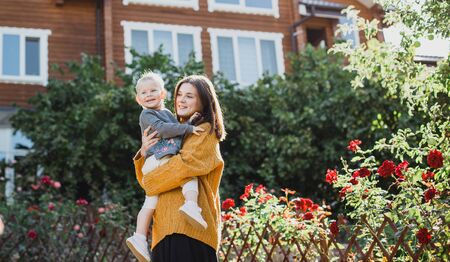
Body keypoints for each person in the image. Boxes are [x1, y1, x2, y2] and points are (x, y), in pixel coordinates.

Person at [133, 75, 226, 261]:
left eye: (189, 96)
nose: (182, 100)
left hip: (190, 231)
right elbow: (147, 177)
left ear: (203, 101)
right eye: (179, 95)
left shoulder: (204, 131)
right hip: (165, 229)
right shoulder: (174, 132)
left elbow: (183, 166)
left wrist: (150, 182)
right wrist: (143, 152)